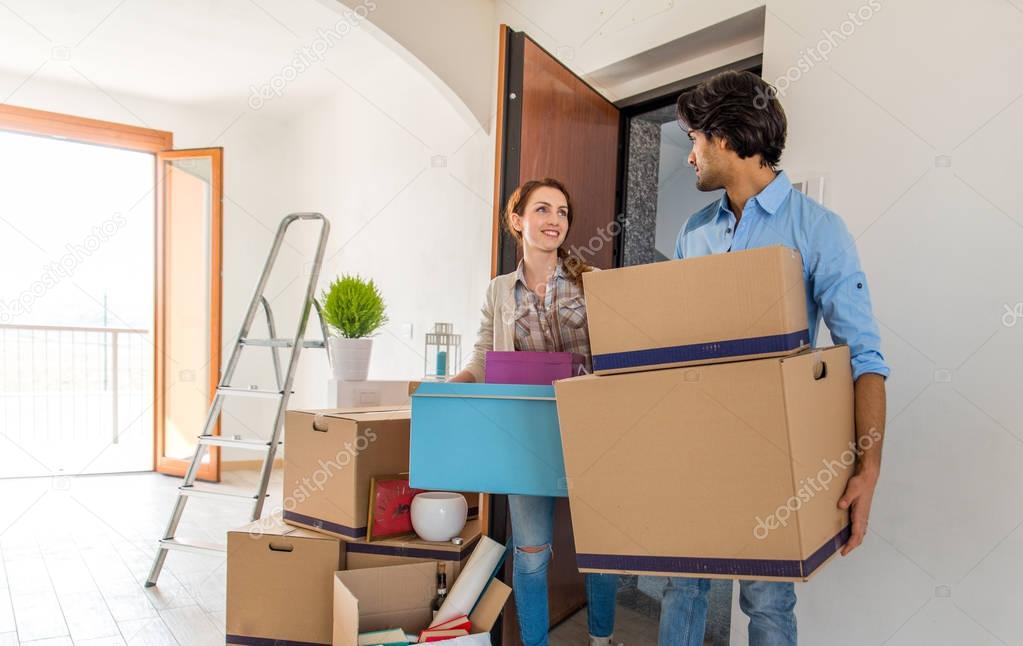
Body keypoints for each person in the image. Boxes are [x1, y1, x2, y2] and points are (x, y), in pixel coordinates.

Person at [659, 70, 890, 646]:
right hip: (697, 443)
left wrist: (869, 468)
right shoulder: (694, 233)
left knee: (766, 600)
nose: (690, 157)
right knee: (682, 586)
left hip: (774, 448)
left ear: (727, 137)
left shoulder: (817, 230)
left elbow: (862, 355)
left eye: (694, 140)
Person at [450, 178, 618, 646]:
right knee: (529, 553)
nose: (554, 221)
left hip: (592, 429)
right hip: (526, 432)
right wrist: (454, 387)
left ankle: (600, 640)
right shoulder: (500, 291)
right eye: (543, 210)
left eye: (562, 213)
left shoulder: (593, 282)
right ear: (517, 219)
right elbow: (484, 354)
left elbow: (620, 349)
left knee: (602, 548)